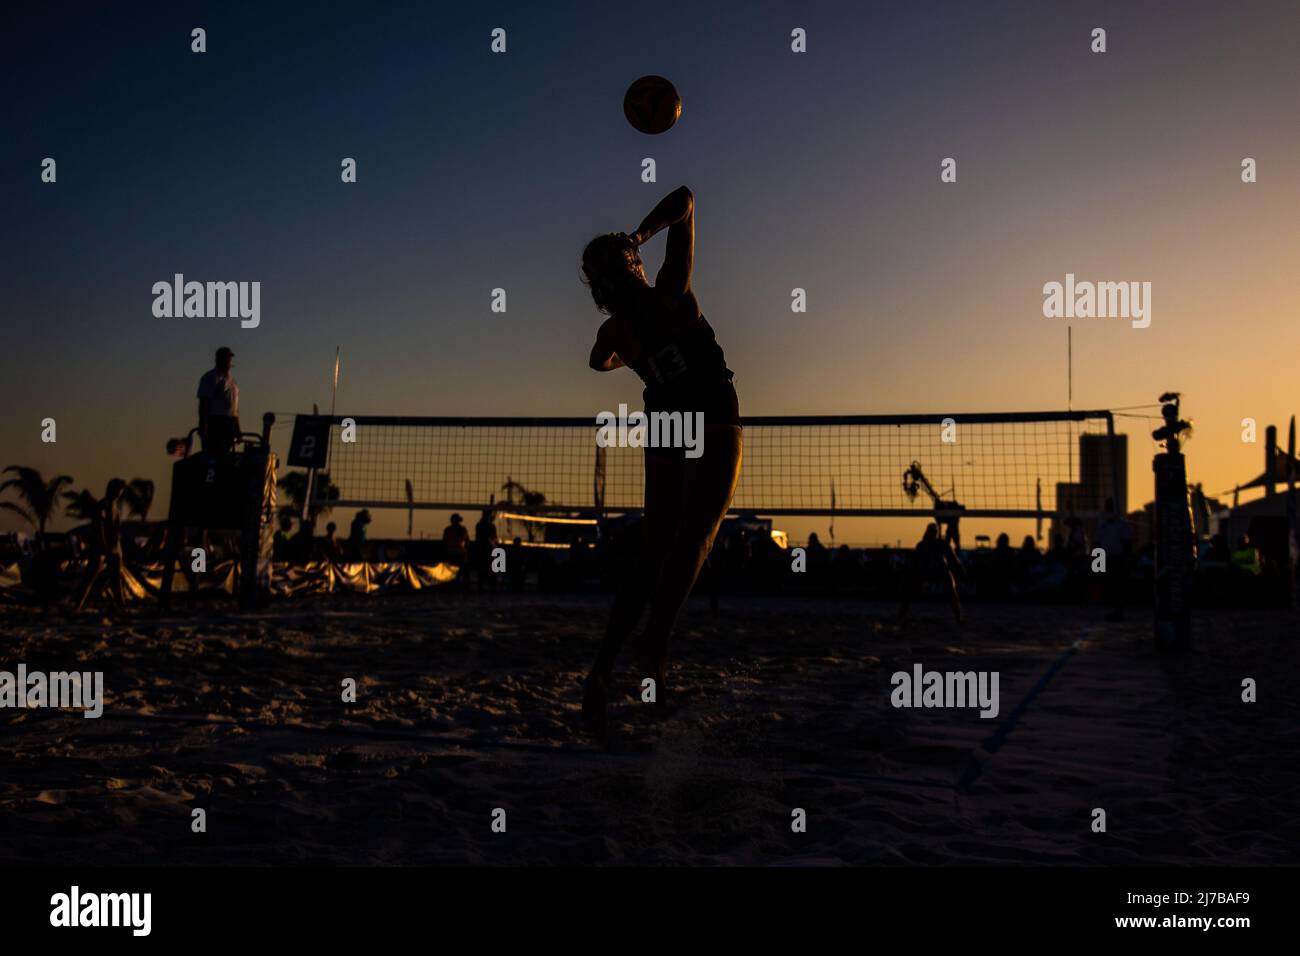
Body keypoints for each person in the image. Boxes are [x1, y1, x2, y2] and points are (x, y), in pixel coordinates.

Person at [579, 185, 744, 740]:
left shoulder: (615, 329)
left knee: (654, 548)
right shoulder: (669, 293)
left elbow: (597, 361)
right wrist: (639, 235)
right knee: (697, 536)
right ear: (632, 266)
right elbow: (688, 197)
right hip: (711, 412)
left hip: (667, 419)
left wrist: (627, 353)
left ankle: (603, 666)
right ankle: (655, 644)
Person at [75, 479, 127, 611]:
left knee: (116, 577)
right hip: (101, 546)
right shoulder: (103, 505)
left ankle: (120, 604)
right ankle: (78, 605)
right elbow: (100, 527)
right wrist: (105, 546)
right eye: (118, 490)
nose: (119, 493)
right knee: (90, 576)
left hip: (114, 546)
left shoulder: (115, 505)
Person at [897, 523, 962, 624]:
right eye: (931, 532)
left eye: (934, 532)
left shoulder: (940, 544)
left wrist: (959, 567)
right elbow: (914, 563)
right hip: (926, 572)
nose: (932, 534)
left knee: (951, 588)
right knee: (909, 591)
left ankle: (958, 618)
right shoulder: (922, 545)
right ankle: (900, 616)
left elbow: (953, 558)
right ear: (927, 533)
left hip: (936, 572)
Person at [1095, 498, 1134, 620]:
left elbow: (1128, 543)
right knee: (1108, 585)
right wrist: (1097, 565)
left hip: (1118, 559)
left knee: (1118, 586)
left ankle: (1118, 611)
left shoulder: (1122, 524)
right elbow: (1098, 544)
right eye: (1108, 506)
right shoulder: (1102, 524)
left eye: (1110, 506)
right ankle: (1112, 610)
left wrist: (1127, 560)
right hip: (1105, 558)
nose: (1109, 508)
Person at [197, 347, 240, 453]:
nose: (229, 361)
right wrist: (203, 425)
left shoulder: (232, 381)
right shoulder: (211, 377)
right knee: (213, 455)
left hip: (230, 423)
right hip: (215, 422)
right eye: (226, 358)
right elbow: (204, 402)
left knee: (226, 455)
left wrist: (238, 428)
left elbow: (235, 408)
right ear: (218, 359)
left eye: (229, 358)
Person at [474, 508, 499, 592]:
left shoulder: (481, 525)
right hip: (486, 549)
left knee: (486, 569)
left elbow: (493, 537)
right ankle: (488, 586)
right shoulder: (487, 525)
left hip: (486, 549)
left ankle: (486, 586)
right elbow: (494, 537)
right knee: (486, 569)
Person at [442, 513, 470, 584]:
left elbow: (444, 541)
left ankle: (452, 583)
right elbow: (467, 541)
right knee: (463, 569)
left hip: (450, 551)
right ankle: (464, 584)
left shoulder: (448, 530)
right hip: (460, 551)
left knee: (451, 569)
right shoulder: (463, 529)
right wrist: (466, 550)